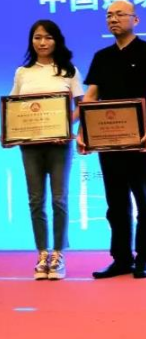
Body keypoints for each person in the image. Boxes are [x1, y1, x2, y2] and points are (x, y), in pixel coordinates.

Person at [80, 0, 146, 279]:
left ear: (135, 20)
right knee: (115, 204)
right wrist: (83, 131)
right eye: (109, 15)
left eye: (119, 14)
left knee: (145, 202)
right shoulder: (102, 56)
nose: (113, 19)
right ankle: (121, 258)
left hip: (141, 139)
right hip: (108, 140)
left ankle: (145, 257)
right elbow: (91, 96)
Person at [10, 20, 84, 280]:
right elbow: (14, 108)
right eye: (37, 37)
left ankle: (59, 254)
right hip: (30, 146)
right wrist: (11, 133)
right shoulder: (22, 73)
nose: (42, 42)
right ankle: (42, 254)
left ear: (57, 40)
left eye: (48, 37)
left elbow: (81, 105)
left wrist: (66, 126)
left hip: (59, 145)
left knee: (59, 199)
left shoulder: (68, 71)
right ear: (31, 41)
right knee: (35, 200)